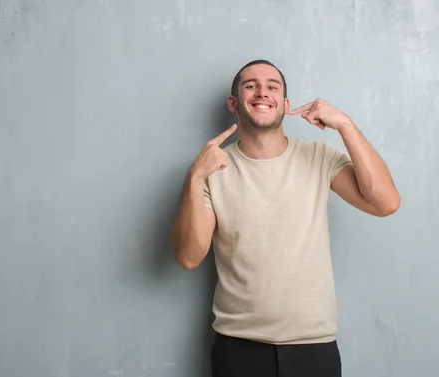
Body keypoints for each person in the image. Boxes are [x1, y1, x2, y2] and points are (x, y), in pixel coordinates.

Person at [168, 59, 400, 377]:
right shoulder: (213, 171)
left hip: (314, 349)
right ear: (233, 102)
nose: (262, 92)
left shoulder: (319, 157)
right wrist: (195, 177)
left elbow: (385, 203)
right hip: (238, 349)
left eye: (272, 86)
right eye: (251, 85)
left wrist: (345, 124)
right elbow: (189, 256)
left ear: (285, 104)